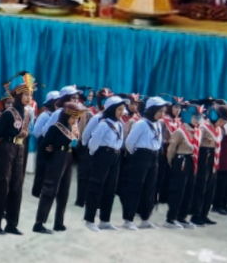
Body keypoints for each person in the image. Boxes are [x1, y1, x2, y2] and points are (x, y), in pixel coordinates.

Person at [0, 74, 33, 236]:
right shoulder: (9, 113)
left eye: (30, 95)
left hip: (20, 149)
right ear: (19, 96)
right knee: (2, 184)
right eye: (26, 95)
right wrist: (4, 140)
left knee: (16, 186)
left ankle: (12, 224)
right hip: (6, 148)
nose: (29, 98)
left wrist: (22, 135)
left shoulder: (27, 113)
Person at [32, 101, 85, 234]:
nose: (75, 120)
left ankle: (58, 222)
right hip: (57, 158)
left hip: (67, 156)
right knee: (50, 189)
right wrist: (52, 154)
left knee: (64, 191)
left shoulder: (71, 128)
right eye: (73, 117)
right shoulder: (56, 127)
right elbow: (43, 145)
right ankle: (39, 223)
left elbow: (75, 144)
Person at [118, 96, 169, 230]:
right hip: (140, 156)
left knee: (150, 189)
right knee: (135, 188)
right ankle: (128, 219)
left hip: (154, 157)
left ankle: (145, 218)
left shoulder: (158, 124)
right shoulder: (141, 124)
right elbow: (129, 143)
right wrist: (137, 156)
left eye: (164, 111)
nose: (162, 114)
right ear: (152, 110)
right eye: (160, 111)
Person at [84, 96, 127, 232]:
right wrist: (94, 155)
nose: (121, 112)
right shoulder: (103, 124)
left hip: (115, 156)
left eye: (122, 109)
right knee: (96, 187)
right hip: (103, 155)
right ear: (112, 109)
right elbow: (92, 142)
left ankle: (105, 220)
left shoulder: (120, 124)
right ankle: (90, 220)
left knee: (110, 189)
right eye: (119, 109)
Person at [191, 103, 227, 225]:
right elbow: (196, 145)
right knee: (200, 188)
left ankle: (204, 213)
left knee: (210, 189)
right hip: (204, 157)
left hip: (214, 159)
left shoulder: (218, 129)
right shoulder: (204, 128)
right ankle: (196, 215)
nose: (222, 123)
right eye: (221, 120)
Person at [165, 106, 201, 228]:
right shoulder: (180, 131)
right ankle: (171, 218)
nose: (198, 120)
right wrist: (173, 163)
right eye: (195, 116)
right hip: (181, 161)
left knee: (189, 190)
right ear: (187, 116)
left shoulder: (197, 131)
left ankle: (182, 217)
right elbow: (171, 150)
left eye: (199, 117)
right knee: (178, 190)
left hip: (193, 160)